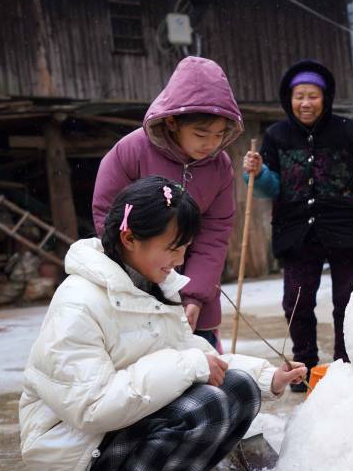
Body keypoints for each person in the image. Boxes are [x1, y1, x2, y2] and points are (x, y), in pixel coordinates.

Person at [20, 177, 307, 471]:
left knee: (238, 389)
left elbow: (195, 354)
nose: (180, 259)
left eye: (185, 247)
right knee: (206, 405)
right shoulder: (79, 302)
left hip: (118, 430)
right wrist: (188, 365)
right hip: (76, 448)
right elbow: (91, 408)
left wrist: (269, 376)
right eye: (172, 248)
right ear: (129, 239)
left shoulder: (152, 287)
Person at [242, 59, 353, 391]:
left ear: (324, 98)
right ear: (289, 98)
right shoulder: (276, 135)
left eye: (312, 95)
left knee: (348, 300)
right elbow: (271, 187)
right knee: (296, 302)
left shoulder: (347, 130)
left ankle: (344, 367)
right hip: (296, 230)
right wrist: (256, 173)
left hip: (346, 227)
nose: (306, 103)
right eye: (299, 96)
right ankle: (303, 367)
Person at [93, 56, 244, 352]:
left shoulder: (220, 166)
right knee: (148, 369)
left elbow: (215, 234)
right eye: (201, 134)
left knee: (203, 365)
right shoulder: (131, 151)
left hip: (193, 291)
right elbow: (108, 216)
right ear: (173, 121)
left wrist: (194, 294)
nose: (210, 144)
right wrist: (142, 276)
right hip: (138, 280)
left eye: (219, 135)